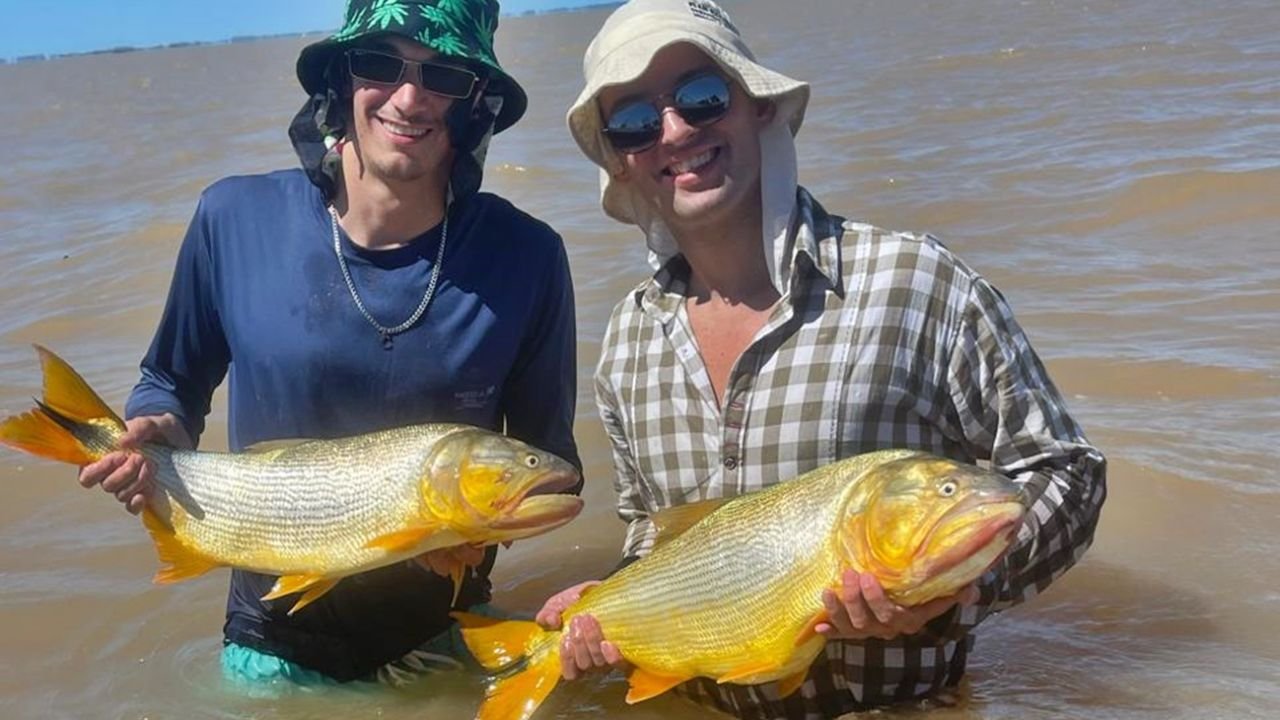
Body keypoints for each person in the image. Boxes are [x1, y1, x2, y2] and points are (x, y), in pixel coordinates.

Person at [535, 0, 1106, 717]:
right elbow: (653, 534)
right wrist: (616, 602)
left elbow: (1067, 473)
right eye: (634, 122)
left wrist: (959, 588)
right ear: (620, 161)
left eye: (702, 96)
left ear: (759, 107)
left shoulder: (917, 282)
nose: (675, 131)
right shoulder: (628, 341)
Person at [75, 0, 582, 688]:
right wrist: (150, 435)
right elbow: (171, 383)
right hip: (270, 646)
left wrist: (477, 537)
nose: (409, 98)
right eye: (380, 64)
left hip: (450, 636)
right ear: (341, 79)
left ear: (476, 103)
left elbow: (551, 459)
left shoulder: (528, 256)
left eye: (444, 75)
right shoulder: (232, 217)